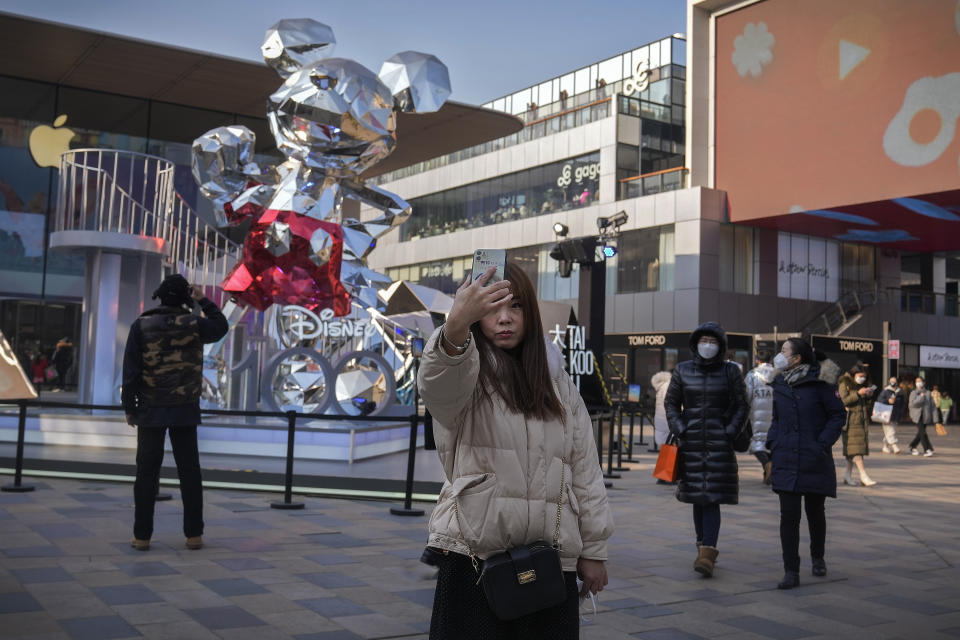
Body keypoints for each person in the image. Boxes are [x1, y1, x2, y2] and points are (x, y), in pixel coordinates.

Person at [417, 262, 614, 639]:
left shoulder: (556, 380)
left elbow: (585, 468)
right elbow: (437, 381)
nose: (505, 318)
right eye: (491, 307)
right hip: (472, 558)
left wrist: (594, 549)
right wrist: (456, 325)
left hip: (551, 558)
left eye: (516, 306)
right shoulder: (462, 368)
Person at [121, 274, 228, 551]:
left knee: (146, 473)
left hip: (149, 409)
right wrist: (203, 299)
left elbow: (131, 371)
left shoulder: (141, 325)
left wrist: (129, 408)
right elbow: (221, 326)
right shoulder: (194, 324)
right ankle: (194, 535)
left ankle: (141, 536)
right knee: (189, 472)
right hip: (184, 410)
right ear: (185, 298)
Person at [664, 322, 747, 578]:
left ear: (720, 345)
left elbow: (742, 405)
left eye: (713, 341)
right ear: (695, 343)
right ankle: (702, 546)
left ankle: (708, 552)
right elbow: (671, 403)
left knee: (711, 497)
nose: (708, 345)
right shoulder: (682, 370)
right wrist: (681, 428)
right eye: (704, 340)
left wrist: (730, 431)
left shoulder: (731, 371)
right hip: (691, 444)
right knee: (697, 498)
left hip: (719, 443)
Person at [766, 338, 846, 589]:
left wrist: (822, 443)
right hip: (786, 455)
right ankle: (791, 570)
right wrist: (772, 440)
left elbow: (837, 415)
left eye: (784, 351)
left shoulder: (821, 381)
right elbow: (777, 417)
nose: (779, 356)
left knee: (815, 512)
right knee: (788, 516)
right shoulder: (779, 382)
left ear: (797, 358)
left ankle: (817, 557)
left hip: (814, 457)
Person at [837, 364, 877, 487]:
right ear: (854, 374)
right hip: (850, 422)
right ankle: (863, 475)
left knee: (852, 450)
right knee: (857, 451)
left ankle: (847, 476)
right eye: (860, 376)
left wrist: (869, 397)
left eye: (864, 377)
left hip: (860, 421)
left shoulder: (861, 386)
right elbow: (843, 400)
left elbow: (866, 407)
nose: (862, 379)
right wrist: (858, 394)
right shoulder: (845, 383)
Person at [745, 350, 776, 484]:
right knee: (771, 442)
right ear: (770, 360)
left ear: (757, 360)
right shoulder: (778, 374)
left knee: (757, 442)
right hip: (775, 411)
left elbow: (746, 395)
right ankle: (768, 472)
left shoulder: (752, 375)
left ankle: (767, 464)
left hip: (757, 412)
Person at [908, 377, 936, 456]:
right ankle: (927, 449)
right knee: (923, 433)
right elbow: (913, 404)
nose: (918, 383)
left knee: (920, 433)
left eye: (920, 381)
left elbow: (932, 406)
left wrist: (936, 419)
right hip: (917, 416)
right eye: (917, 381)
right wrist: (921, 397)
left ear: (923, 382)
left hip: (926, 416)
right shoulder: (913, 393)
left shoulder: (928, 393)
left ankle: (912, 446)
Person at [876, 377, 902, 454]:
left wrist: (901, 413)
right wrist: (888, 401)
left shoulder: (900, 392)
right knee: (891, 431)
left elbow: (902, 403)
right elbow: (879, 400)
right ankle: (894, 446)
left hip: (895, 414)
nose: (893, 382)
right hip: (886, 414)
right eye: (891, 381)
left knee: (890, 431)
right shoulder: (886, 391)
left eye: (894, 381)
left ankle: (885, 446)